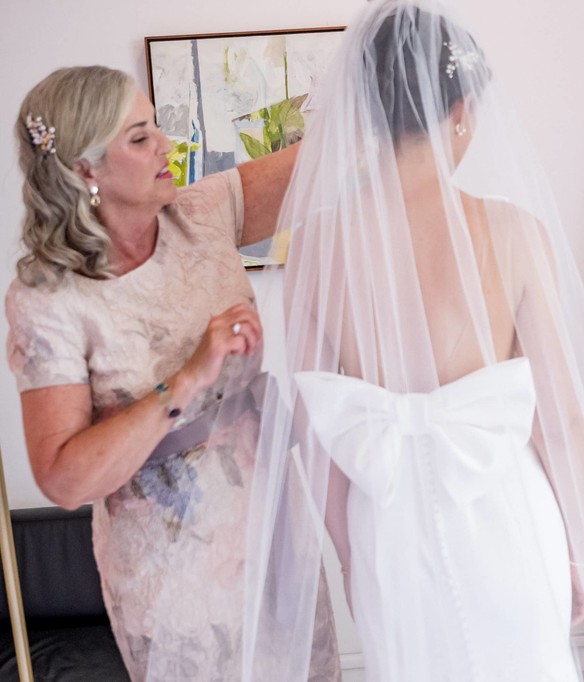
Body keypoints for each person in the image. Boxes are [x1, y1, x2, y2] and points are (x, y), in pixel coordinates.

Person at [239, 1, 584, 680]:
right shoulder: (515, 234)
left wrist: (350, 558)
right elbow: (562, 421)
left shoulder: (312, 249)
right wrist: (576, 552)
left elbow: (317, 437)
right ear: (459, 109)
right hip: (507, 521)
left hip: (387, 538)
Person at [6, 66, 339, 680]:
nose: (166, 144)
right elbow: (64, 477)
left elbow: (331, 161)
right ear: (85, 170)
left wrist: (385, 69)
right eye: (139, 138)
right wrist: (184, 381)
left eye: (156, 126)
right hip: (172, 572)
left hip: (271, 526)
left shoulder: (204, 213)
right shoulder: (46, 298)